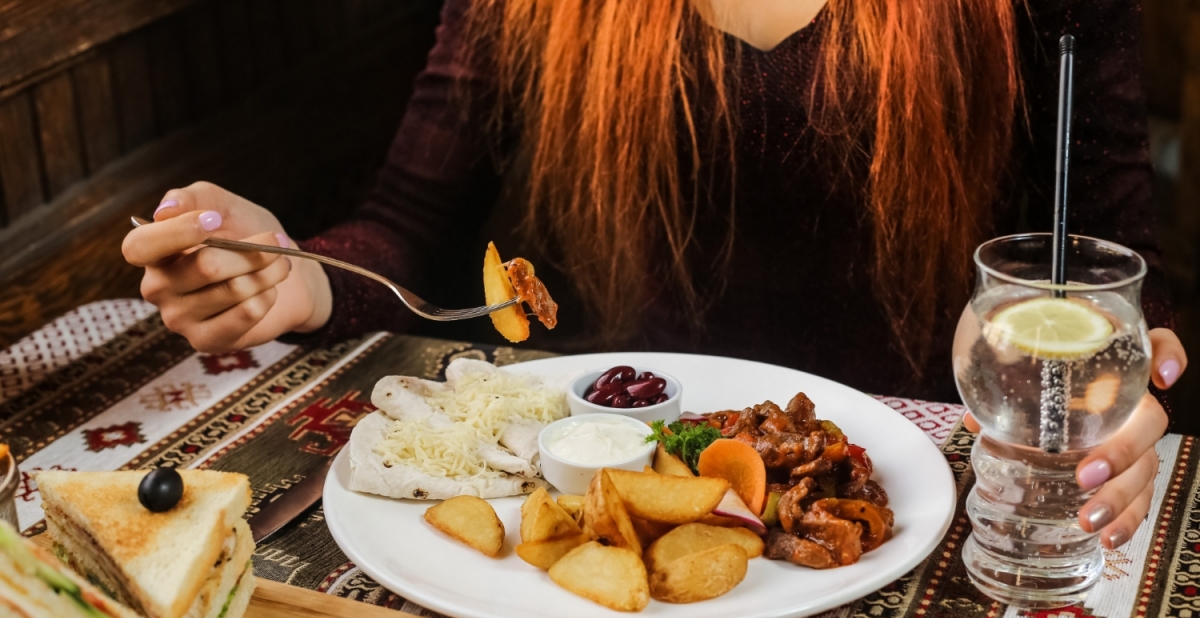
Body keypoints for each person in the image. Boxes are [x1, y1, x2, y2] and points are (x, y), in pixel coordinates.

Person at [123, 0, 1186, 550]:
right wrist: (294, 279)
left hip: (902, 509)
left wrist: (1131, 399)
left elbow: (1117, 285)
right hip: (605, 501)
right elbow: (403, 227)